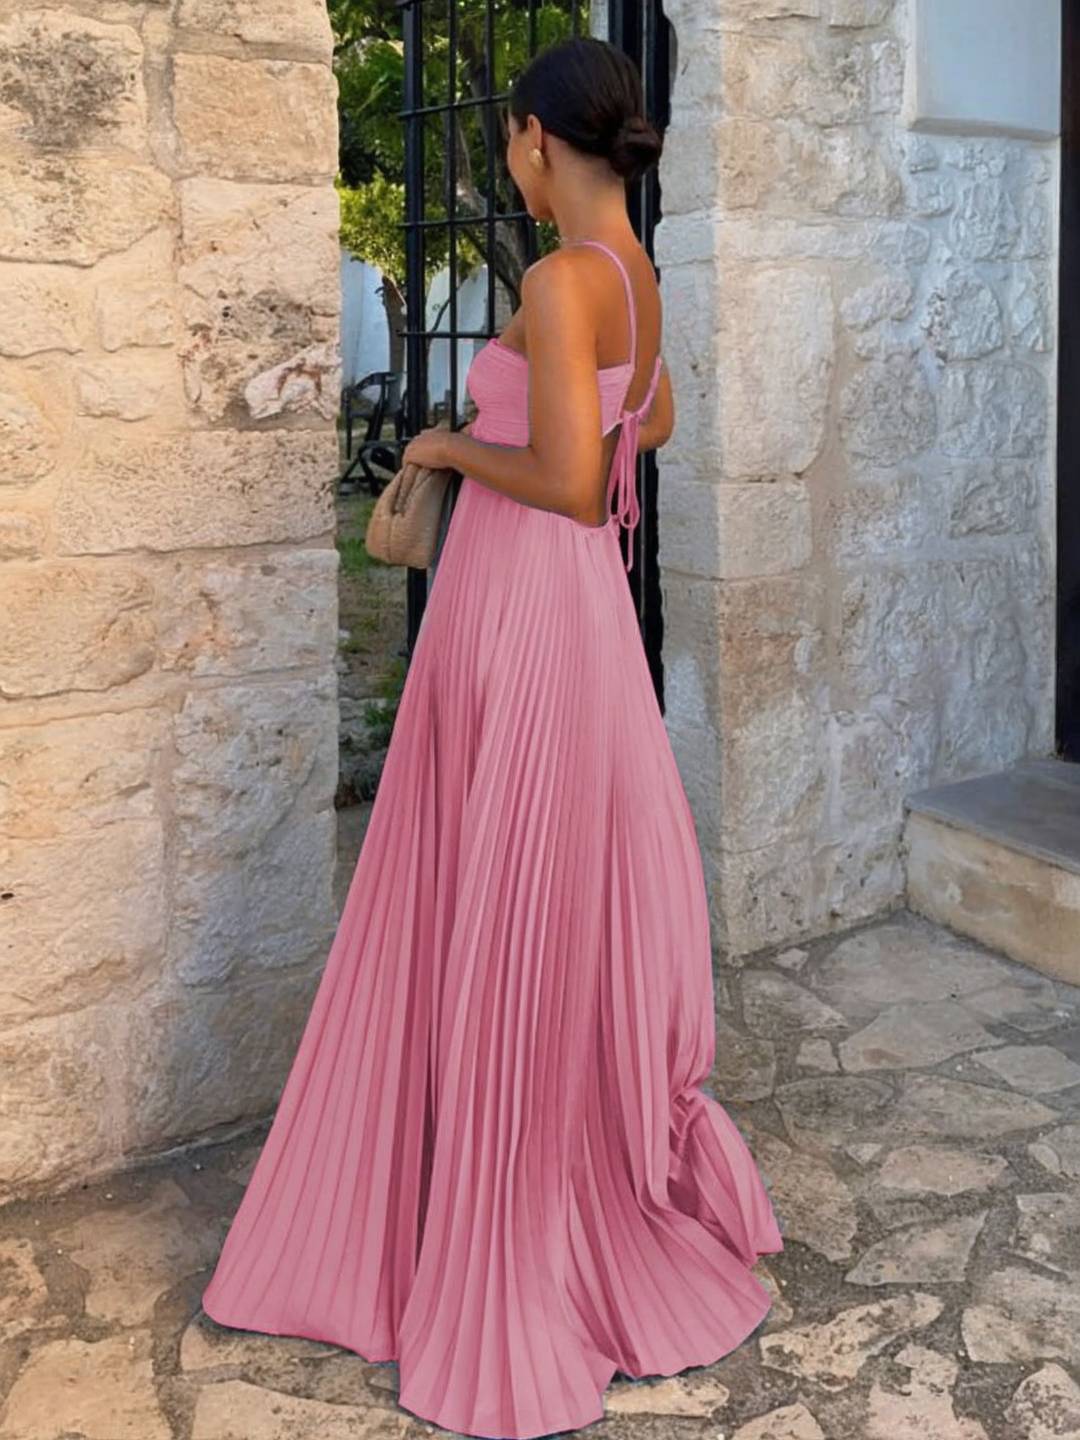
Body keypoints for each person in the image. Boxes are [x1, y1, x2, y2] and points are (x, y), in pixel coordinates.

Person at [201, 34, 783, 1440]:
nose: (506, 166)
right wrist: (548, 433)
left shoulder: (562, 277)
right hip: (575, 620)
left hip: (521, 605)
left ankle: (484, 1203)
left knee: (486, 885)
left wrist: (449, 445)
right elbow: (653, 422)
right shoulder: (636, 272)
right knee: (531, 889)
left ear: (532, 137)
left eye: (507, 147)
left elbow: (576, 483)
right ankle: (519, 1158)